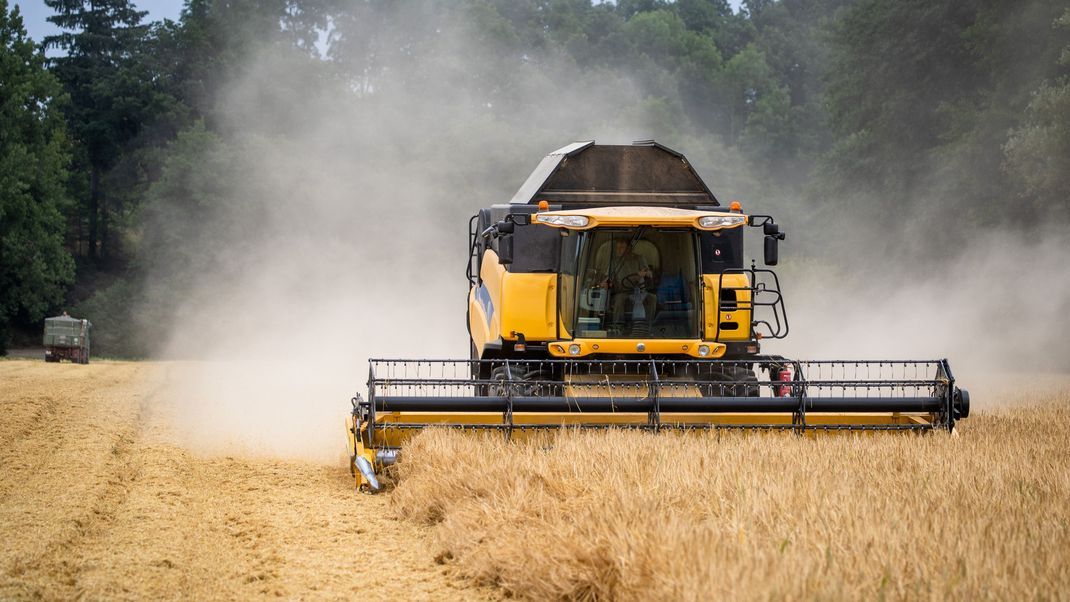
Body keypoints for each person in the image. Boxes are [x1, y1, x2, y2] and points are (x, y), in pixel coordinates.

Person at [605, 239, 656, 323]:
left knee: (652, 298)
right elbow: (608, 279)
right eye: (617, 248)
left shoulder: (639, 258)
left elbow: (649, 273)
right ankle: (618, 326)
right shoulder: (614, 262)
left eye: (622, 247)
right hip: (622, 292)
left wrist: (645, 273)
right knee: (619, 300)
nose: (618, 250)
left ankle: (649, 325)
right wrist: (606, 283)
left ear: (629, 248)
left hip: (639, 291)